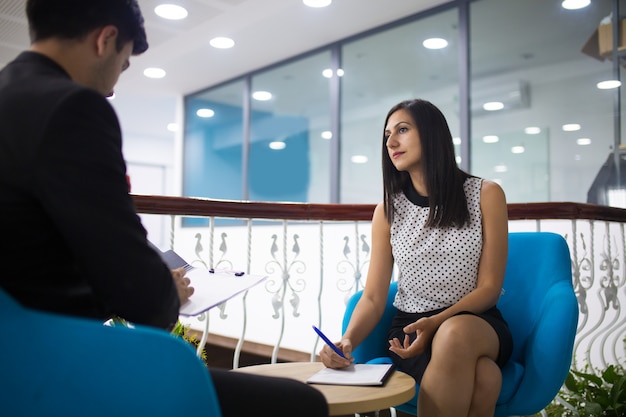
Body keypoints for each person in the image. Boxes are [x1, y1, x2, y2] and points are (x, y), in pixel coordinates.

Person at [0, 1, 328, 416]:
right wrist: (164, 288)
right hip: (49, 364)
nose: (112, 89)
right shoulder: (74, 109)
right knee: (304, 404)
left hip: (12, 353)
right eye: (122, 65)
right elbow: (142, 298)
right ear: (106, 39)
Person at [319, 99, 513, 417]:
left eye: (403, 130)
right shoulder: (388, 211)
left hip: (477, 322)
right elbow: (372, 297)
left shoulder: (486, 194)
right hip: (409, 331)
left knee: (454, 334)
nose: (391, 142)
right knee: (486, 379)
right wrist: (346, 341)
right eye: (387, 135)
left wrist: (437, 323)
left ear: (433, 134)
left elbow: (489, 288)